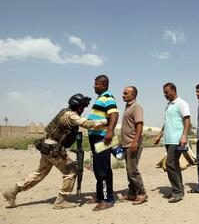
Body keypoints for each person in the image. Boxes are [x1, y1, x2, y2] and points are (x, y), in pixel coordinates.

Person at [2, 93, 107, 209]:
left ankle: (12, 192)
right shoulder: (71, 115)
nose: (83, 110)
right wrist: (104, 121)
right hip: (54, 150)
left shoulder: (65, 111)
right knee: (71, 170)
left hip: (47, 146)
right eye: (82, 107)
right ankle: (61, 201)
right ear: (78, 107)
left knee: (39, 173)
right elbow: (87, 124)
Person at [154, 82, 191, 203]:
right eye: (164, 92)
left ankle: (177, 192)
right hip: (168, 139)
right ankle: (178, 189)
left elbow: (187, 120)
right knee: (173, 164)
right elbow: (166, 122)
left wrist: (184, 136)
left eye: (167, 92)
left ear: (173, 90)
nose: (165, 94)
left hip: (177, 139)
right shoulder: (169, 105)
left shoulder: (181, 103)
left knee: (170, 163)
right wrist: (160, 135)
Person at [88, 75, 119, 211]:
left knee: (103, 170)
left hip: (102, 138)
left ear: (104, 85)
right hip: (96, 137)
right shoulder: (100, 98)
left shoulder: (108, 97)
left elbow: (114, 114)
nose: (94, 86)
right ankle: (101, 195)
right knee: (98, 168)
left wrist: (110, 132)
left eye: (96, 84)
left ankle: (107, 199)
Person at [120, 86, 147, 205]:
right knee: (128, 170)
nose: (123, 95)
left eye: (126, 93)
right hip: (127, 144)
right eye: (123, 93)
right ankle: (132, 193)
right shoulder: (128, 107)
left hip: (133, 144)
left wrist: (135, 141)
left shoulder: (136, 107)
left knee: (133, 170)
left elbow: (139, 125)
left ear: (133, 95)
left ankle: (142, 193)